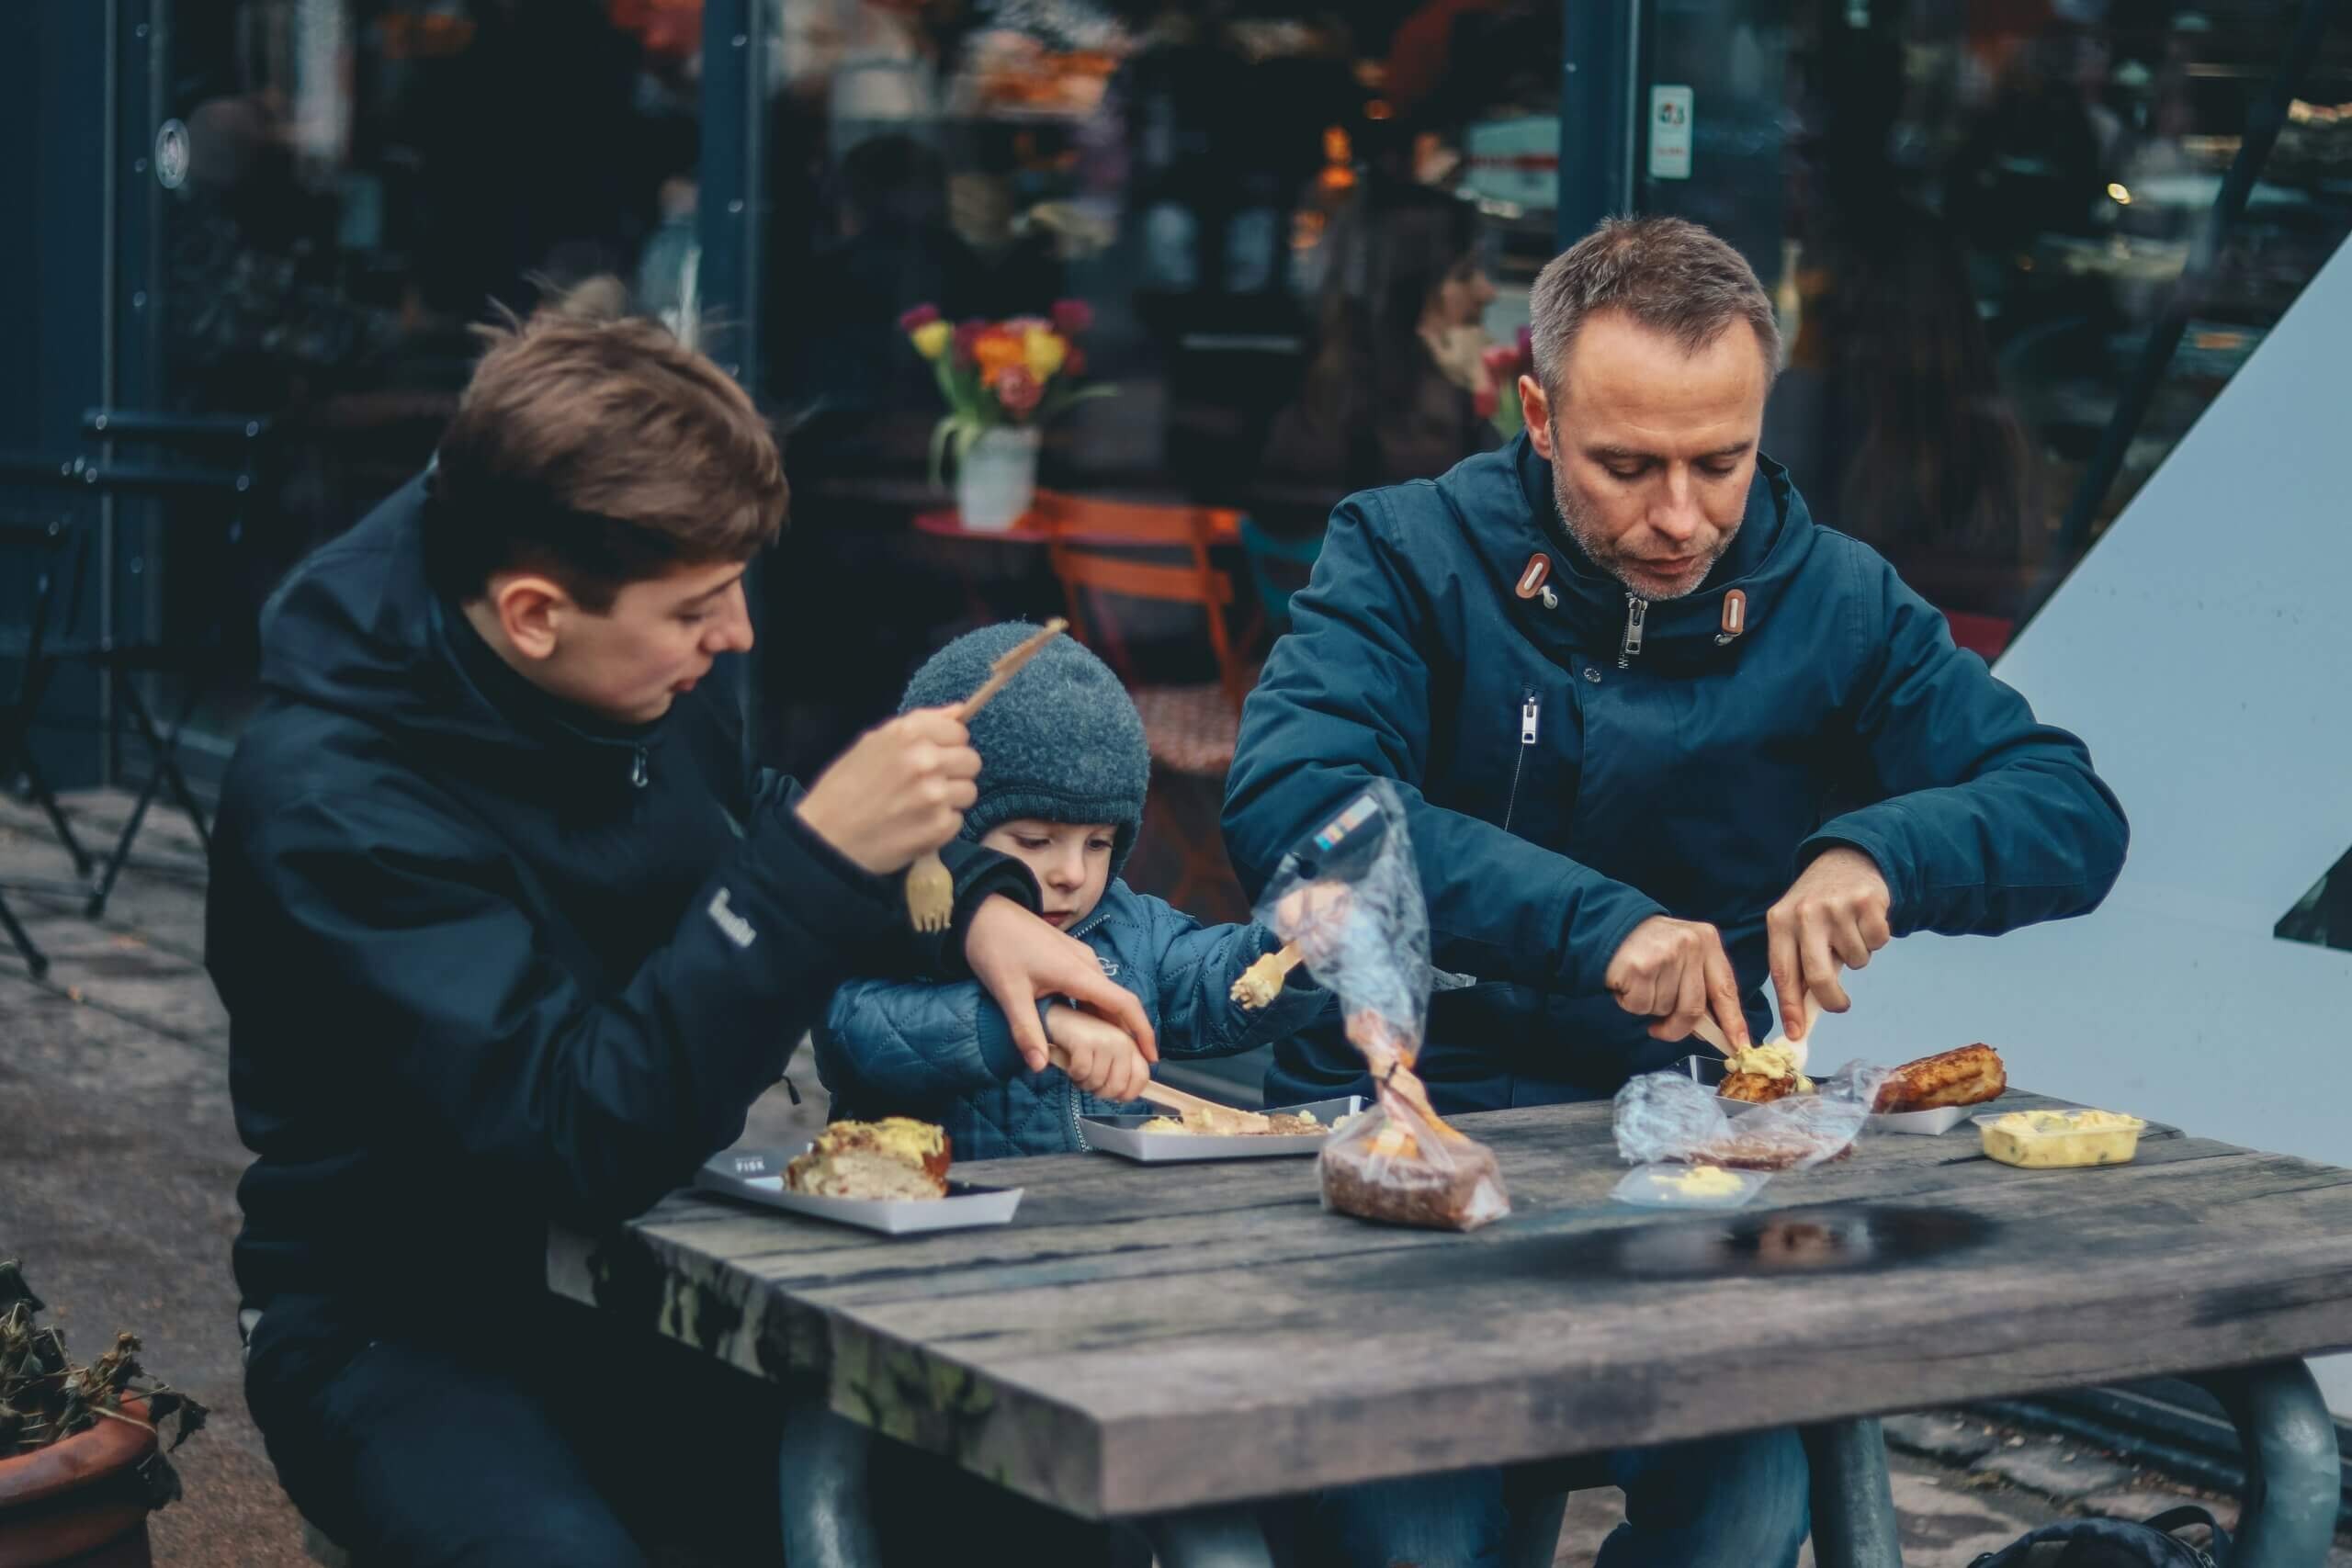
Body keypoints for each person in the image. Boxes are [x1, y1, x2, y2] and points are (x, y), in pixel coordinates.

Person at [1222, 216, 2129, 1566]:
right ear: (1536, 411)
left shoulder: (1836, 598)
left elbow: (2070, 810)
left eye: (1723, 460)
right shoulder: (1407, 552)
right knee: (1416, 1516)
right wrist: (1600, 925)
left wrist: (1882, 848)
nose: (1683, 517)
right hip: (1418, 1120)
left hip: (1698, 1153)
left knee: (1756, 1490)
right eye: (1627, 465)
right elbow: (1299, 805)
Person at [209, 289, 1153, 1568]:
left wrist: (974, 908)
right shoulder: (329, 797)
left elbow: (732, 827)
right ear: (536, 611)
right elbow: (577, 1127)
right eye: (700, 603)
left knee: (1021, 1498)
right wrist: (818, 855)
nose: (739, 632)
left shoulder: (609, 657)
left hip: (655, 1265)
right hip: (401, 1316)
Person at [815, 623, 1327, 1157]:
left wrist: (1294, 949)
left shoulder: (1129, 928)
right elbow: (859, 1037)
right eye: (1036, 841)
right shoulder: (903, 928)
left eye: (1099, 844)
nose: (1072, 874)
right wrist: (1037, 1025)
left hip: (1097, 1222)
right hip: (933, 1217)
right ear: (949, 834)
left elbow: (1216, 989)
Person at [1261, 180, 1499, 514]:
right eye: (1464, 274)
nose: (1488, 292)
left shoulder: (1321, 401)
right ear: (1412, 298)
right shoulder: (1431, 426)